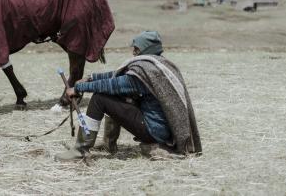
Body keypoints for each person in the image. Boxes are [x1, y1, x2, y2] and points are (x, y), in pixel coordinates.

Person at [55, 31, 202, 160]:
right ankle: (109, 145)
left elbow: (113, 84)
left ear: (146, 49)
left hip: (153, 131)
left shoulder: (145, 72)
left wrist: (79, 88)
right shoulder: (158, 65)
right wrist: (91, 77)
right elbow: (118, 76)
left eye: (137, 49)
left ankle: (81, 150)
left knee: (100, 98)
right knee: (114, 95)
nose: (133, 53)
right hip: (160, 129)